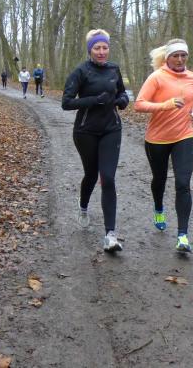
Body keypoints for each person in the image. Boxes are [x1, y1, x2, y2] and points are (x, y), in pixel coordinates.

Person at [62, 29, 128, 252]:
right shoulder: (81, 71)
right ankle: (83, 207)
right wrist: (94, 100)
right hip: (86, 131)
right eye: (97, 48)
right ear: (90, 50)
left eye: (105, 47)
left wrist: (122, 100)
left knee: (107, 177)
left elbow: (122, 92)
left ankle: (110, 235)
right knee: (91, 174)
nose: (101, 52)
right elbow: (66, 102)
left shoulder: (114, 69)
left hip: (111, 129)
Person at [134, 38, 193, 253]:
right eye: (175, 55)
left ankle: (183, 236)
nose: (180, 59)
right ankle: (159, 209)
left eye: (183, 55)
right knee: (159, 179)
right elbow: (139, 104)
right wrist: (165, 105)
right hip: (157, 138)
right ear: (167, 57)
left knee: (183, 183)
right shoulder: (157, 77)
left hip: (184, 136)